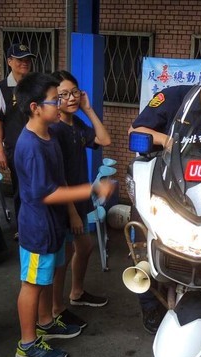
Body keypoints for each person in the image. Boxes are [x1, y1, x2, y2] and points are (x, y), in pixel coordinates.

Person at [129, 49, 201, 333]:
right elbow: (135, 131)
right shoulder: (173, 98)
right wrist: (166, 141)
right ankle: (150, 306)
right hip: (161, 190)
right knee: (144, 248)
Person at [13, 72, 114, 357]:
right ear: (35, 107)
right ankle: (27, 344)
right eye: (55, 99)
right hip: (37, 227)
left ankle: (45, 322)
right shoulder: (31, 145)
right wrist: (92, 188)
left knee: (45, 278)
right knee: (31, 283)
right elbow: (46, 193)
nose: (60, 104)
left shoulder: (47, 135)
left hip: (52, 224)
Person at [50, 70, 112, 328]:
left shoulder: (75, 124)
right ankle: (56, 308)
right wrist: (73, 212)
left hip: (79, 195)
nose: (71, 98)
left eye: (74, 92)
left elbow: (104, 139)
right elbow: (57, 176)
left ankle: (76, 293)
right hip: (66, 201)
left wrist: (88, 109)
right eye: (63, 95)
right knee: (62, 257)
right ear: (54, 98)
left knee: (84, 247)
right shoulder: (54, 130)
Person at [0, 43, 36, 238]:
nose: (24, 63)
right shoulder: (2, 88)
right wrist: (0, 150)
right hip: (16, 148)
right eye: (20, 59)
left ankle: (37, 224)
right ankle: (21, 227)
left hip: (38, 146)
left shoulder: (36, 85)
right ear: (9, 62)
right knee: (20, 188)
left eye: (27, 59)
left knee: (38, 186)